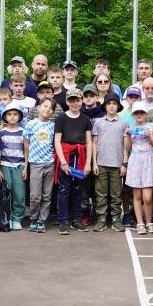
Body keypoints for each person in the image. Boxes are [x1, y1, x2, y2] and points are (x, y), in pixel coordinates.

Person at [55, 88, 93, 234]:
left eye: (77, 100)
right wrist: (63, 162)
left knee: (78, 189)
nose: (75, 103)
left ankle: (76, 220)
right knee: (64, 189)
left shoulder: (85, 119)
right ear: (67, 101)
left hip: (80, 156)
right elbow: (57, 141)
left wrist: (88, 162)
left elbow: (89, 142)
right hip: (66, 155)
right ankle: (63, 220)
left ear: (81, 100)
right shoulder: (61, 118)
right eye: (71, 100)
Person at [91, 93, 127, 231]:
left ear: (118, 106)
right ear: (105, 106)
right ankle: (101, 219)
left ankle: (116, 219)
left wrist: (124, 163)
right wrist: (94, 162)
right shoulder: (98, 122)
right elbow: (94, 143)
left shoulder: (123, 122)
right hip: (101, 162)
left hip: (117, 164)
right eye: (109, 104)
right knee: (100, 193)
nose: (111, 106)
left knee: (116, 194)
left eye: (114, 104)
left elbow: (125, 144)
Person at [125, 101, 153, 234]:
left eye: (141, 112)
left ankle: (149, 221)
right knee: (137, 194)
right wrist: (128, 135)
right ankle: (140, 223)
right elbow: (127, 147)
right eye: (136, 112)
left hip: (148, 159)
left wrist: (150, 136)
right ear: (133, 114)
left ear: (146, 113)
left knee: (147, 196)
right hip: (135, 158)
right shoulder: (131, 126)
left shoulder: (151, 126)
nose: (139, 114)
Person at [23, 98, 57, 232]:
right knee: (35, 195)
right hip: (35, 163)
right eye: (45, 106)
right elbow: (26, 144)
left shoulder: (53, 126)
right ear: (39, 108)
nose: (47, 109)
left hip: (49, 163)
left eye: (51, 108)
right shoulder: (31, 124)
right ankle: (33, 217)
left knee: (47, 194)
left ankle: (42, 220)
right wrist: (26, 165)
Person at [0, 102, 27, 230]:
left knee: (19, 193)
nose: (12, 117)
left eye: (15, 114)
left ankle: (17, 218)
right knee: (7, 192)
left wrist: (26, 166)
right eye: (9, 114)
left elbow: (26, 149)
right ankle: (7, 218)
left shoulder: (23, 132)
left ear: (19, 117)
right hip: (5, 164)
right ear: (5, 117)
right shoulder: (1, 132)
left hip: (19, 165)